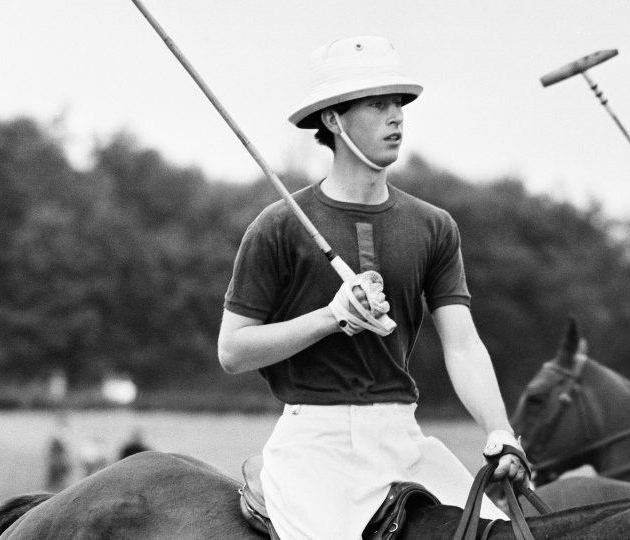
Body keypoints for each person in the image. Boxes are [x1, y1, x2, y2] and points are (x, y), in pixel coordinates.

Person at [218, 36, 526, 540]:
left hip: (402, 438)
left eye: (399, 104)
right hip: (313, 445)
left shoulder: (433, 226)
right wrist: (331, 317)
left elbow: (463, 344)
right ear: (334, 121)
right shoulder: (278, 225)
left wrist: (499, 430)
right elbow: (233, 350)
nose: (397, 117)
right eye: (378, 104)